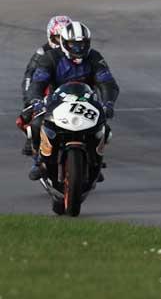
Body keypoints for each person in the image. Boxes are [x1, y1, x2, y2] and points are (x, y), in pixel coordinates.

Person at [25, 21, 119, 181]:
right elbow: (37, 83)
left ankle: (94, 162)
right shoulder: (50, 58)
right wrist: (36, 100)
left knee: (105, 130)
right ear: (63, 42)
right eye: (73, 44)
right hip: (56, 102)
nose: (78, 48)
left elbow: (107, 82)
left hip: (87, 101)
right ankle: (38, 160)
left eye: (82, 44)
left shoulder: (95, 57)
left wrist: (108, 103)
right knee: (35, 124)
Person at [16, 15, 72, 156]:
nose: (60, 42)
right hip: (47, 90)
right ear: (50, 36)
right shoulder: (42, 52)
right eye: (57, 38)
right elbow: (29, 76)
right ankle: (32, 139)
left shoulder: (77, 51)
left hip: (70, 89)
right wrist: (30, 98)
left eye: (63, 38)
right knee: (28, 111)